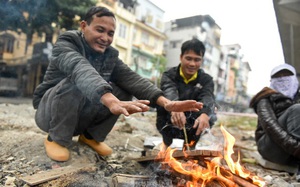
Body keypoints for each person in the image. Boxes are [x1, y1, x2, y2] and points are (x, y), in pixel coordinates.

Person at [32, 6, 203, 162]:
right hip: (50, 113)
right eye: (100, 30)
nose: (105, 38)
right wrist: (109, 99)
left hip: (79, 117)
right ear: (84, 26)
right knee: (77, 82)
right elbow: (79, 68)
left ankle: (90, 136)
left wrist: (166, 103)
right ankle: (56, 138)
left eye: (110, 33)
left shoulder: (110, 55)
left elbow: (132, 78)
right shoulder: (66, 43)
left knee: (123, 90)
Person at [156, 38, 217, 150]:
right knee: (161, 105)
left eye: (197, 59)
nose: (192, 64)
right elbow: (169, 91)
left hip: (192, 120)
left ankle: (190, 146)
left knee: (211, 112)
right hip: (171, 117)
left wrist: (205, 114)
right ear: (181, 57)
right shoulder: (169, 75)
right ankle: (167, 143)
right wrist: (175, 107)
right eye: (188, 58)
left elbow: (207, 96)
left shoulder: (206, 79)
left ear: (202, 60)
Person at [249, 63, 300, 175]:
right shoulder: (264, 99)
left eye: (286, 76)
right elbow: (272, 128)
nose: (282, 79)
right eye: (278, 77)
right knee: (297, 109)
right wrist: (297, 149)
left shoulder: (297, 98)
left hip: (290, 150)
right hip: (269, 147)